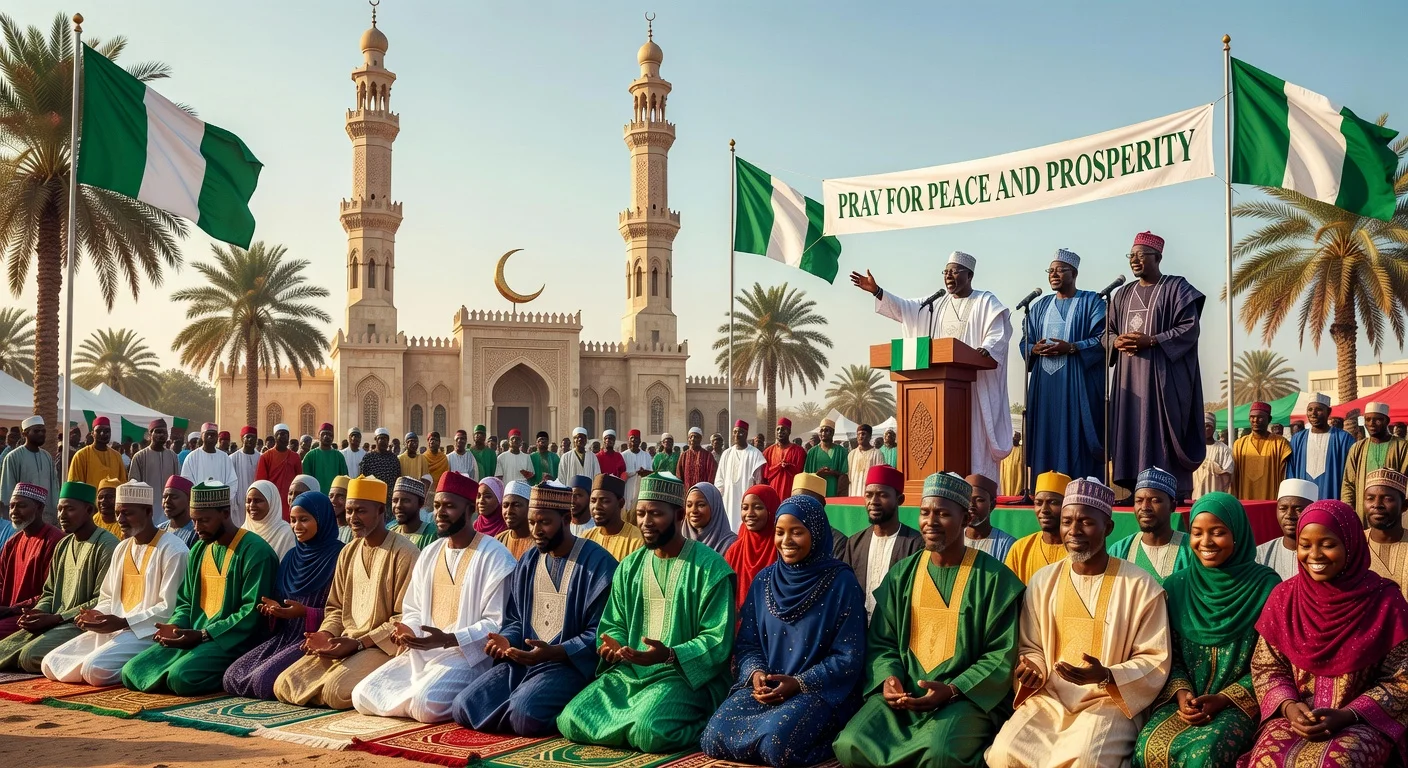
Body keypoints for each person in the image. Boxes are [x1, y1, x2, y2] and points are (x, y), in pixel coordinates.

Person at [834, 472, 1023, 768]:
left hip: (964, 698)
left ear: (965, 519)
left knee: (940, 755)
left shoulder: (994, 580)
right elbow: (883, 641)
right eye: (925, 512)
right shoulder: (902, 574)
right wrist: (889, 678)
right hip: (904, 693)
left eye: (943, 513)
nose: (930, 522)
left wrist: (953, 689)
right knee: (850, 744)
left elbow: (1001, 654)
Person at [985, 477, 1172, 768]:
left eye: (1086, 522)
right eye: (1067, 521)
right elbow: (1030, 645)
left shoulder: (1140, 586)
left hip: (1108, 702)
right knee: (1003, 754)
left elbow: (1155, 658)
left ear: (1107, 528)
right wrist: (1033, 666)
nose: (1073, 531)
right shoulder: (1043, 581)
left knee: (1086, 760)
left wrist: (1107, 675)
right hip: (1049, 697)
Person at [556, 472, 736, 752]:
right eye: (640, 513)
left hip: (682, 676)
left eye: (655, 514)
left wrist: (670, 654)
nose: (645, 522)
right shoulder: (630, 567)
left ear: (679, 515)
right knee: (571, 720)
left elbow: (716, 639)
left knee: (649, 732)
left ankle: (708, 724)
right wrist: (613, 646)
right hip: (631, 672)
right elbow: (614, 622)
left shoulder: (711, 569)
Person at [1240, 499, 1408, 766]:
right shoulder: (1284, 597)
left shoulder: (1384, 601)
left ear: (1351, 544)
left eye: (1328, 545)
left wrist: (1348, 715)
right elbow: (1267, 667)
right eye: (1305, 545)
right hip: (1294, 717)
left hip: (1361, 721)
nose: (1314, 555)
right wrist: (1289, 707)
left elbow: (1401, 680)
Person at [704, 496, 866, 768]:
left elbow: (848, 656)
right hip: (767, 689)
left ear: (815, 533)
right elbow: (748, 643)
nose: (786, 540)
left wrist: (799, 683)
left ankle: (830, 740)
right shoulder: (764, 580)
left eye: (797, 532)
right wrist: (756, 675)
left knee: (775, 746)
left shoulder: (841, 582)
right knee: (713, 736)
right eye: (780, 532)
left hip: (818, 691)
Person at [451, 483, 618, 736]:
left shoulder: (598, 564)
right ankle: (524, 698)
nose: (536, 530)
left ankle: (566, 706)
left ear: (565, 519)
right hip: (525, 660)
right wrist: (506, 640)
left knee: (525, 715)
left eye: (544, 523)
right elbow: (516, 618)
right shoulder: (529, 561)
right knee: (463, 706)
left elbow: (601, 631)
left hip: (570, 665)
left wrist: (557, 651)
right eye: (532, 522)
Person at [350, 471, 515, 723]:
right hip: (421, 655)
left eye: (449, 506)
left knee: (424, 704)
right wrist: (409, 630)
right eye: (436, 505)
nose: (439, 513)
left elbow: (496, 624)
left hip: (466, 659)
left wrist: (449, 639)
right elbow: (413, 608)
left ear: (471, 509)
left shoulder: (495, 556)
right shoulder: (429, 552)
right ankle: (411, 697)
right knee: (362, 694)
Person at [1131, 492, 1281, 768]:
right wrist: (1182, 693)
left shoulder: (1266, 587)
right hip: (1184, 700)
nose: (1206, 542)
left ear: (1237, 534)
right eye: (1197, 533)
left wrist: (1223, 699)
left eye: (1218, 532)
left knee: (1204, 755)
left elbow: (1270, 662)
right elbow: (1168, 653)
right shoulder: (1176, 586)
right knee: (1146, 746)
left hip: (1240, 703)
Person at [853, 251, 1014, 481]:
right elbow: (905, 308)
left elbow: (998, 332)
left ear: (969, 275)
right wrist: (877, 291)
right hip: (942, 393)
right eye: (946, 272)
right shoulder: (936, 303)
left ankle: (977, 493)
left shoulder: (985, 301)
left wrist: (986, 349)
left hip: (973, 389)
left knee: (973, 441)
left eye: (954, 271)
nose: (948, 276)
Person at [272, 476, 419, 710]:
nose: (352, 518)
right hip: (343, 640)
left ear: (381, 510)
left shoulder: (405, 553)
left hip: (380, 645)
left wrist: (359, 643)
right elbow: (335, 608)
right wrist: (325, 633)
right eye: (349, 511)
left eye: (360, 511)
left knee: (335, 692)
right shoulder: (348, 552)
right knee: (284, 684)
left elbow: (404, 618)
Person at [121, 481, 279, 695]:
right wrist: (175, 626)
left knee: (181, 678)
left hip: (232, 641)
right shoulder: (198, 549)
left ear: (225, 513)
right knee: (132, 671)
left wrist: (204, 634)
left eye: (204, 521)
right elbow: (185, 601)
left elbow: (250, 612)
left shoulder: (255, 551)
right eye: (194, 520)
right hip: (193, 636)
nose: (197, 528)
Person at [41, 480, 189, 686]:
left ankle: (147, 667)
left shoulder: (174, 550)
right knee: (50, 663)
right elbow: (108, 596)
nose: (120, 519)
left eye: (127, 513)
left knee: (94, 670)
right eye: (118, 512)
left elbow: (169, 608)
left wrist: (124, 622)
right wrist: (98, 616)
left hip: (147, 633)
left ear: (147, 512)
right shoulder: (122, 548)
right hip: (114, 629)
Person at [1108, 231, 1206, 500]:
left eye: (1142, 255)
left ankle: (1165, 491)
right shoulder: (1122, 294)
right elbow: (1107, 332)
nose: (1135, 260)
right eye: (1132, 256)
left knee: (1160, 429)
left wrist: (1152, 341)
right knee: (1131, 428)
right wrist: (1115, 342)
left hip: (1163, 378)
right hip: (1129, 379)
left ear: (1158, 257)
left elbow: (1189, 327)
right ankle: (1135, 490)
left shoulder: (1176, 287)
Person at [223, 491, 343, 699]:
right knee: (232, 677)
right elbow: (281, 600)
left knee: (263, 682)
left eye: (304, 520)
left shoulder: (340, 556)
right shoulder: (291, 557)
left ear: (322, 519)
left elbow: (343, 611)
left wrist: (305, 613)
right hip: (284, 636)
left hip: (312, 639)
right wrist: (274, 610)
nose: (297, 527)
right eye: (293, 520)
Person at [0, 481, 117, 671]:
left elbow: (102, 600)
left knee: (29, 656)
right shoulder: (64, 545)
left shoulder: (107, 546)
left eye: (69, 509)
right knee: (3, 650)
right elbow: (49, 592)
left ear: (89, 510)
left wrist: (57, 618)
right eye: (60, 509)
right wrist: (37, 613)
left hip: (81, 624)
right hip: (54, 621)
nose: (62, 516)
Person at [1022, 248, 1107, 482]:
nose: (1054, 274)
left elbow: (1103, 339)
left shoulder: (1092, 302)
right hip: (1044, 386)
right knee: (1044, 436)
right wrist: (1033, 349)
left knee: (1076, 435)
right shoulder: (1038, 306)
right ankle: (1043, 490)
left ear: (1075, 273)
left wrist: (1071, 347)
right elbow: (1025, 340)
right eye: (1051, 270)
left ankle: (1080, 490)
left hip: (1077, 385)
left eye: (1061, 270)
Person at [837, 465, 923, 619]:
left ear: (900, 500)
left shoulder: (916, 544)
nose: (873, 501)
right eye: (869, 495)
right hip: (859, 631)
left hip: (895, 635)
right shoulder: (854, 543)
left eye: (882, 495)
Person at [1108, 467, 1194, 584]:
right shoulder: (1120, 550)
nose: (1144, 507)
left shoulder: (1191, 549)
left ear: (1172, 506)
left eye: (1155, 500)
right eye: (1139, 500)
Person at [0, 483, 63, 638]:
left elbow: (52, 593)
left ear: (39, 508)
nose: (14, 511)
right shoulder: (12, 543)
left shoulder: (55, 541)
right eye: (12, 506)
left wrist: (11, 609)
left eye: (21, 506)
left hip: (33, 616)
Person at [1343, 402, 1408, 520]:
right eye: (1368, 419)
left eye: (1377, 419)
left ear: (1387, 421)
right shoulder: (1357, 448)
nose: (1371, 423)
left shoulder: (1402, 446)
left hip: (1392, 511)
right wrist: (1349, 510)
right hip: (1363, 511)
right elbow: (1348, 483)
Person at [1004, 471, 1071, 583]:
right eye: (1039, 503)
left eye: (1053, 502)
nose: (1044, 510)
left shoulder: (1078, 550)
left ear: (1067, 506)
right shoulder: (1020, 549)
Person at [1287, 393, 1354, 504]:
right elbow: (1291, 473)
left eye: (1318, 409)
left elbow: (1351, 474)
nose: (1313, 413)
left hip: (1334, 499)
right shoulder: (1297, 439)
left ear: (1328, 412)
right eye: (1310, 409)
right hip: (1303, 500)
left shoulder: (1343, 439)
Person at [723, 485, 780, 609]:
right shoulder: (734, 551)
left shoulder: (782, 548)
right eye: (745, 508)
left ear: (772, 509)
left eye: (758, 507)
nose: (749, 514)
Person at [0, 417, 59, 524]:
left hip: (47, 518)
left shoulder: (47, 456)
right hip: (23, 518)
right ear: (24, 434)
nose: (41, 434)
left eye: (43, 431)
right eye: (36, 431)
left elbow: (54, 487)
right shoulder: (13, 457)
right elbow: (7, 491)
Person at [1255, 478, 1315, 581]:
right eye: (1283, 508)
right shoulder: (1261, 553)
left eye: (1298, 509)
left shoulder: (1319, 555)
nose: (1289, 515)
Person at [1232, 401, 1292, 501]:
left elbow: (1288, 473)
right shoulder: (1239, 444)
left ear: (1269, 419)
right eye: (1252, 417)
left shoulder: (1280, 443)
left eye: (1260, 417)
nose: (1255, 420)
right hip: (1245, 499)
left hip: (1271, 499)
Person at [1363, 468, 1408, 595]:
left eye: (1387, 498)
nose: (1376, 505)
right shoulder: (1354, 546)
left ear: (1404, 506)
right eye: (1370, 498)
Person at [716, 420, 767, 532]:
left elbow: (759, 482)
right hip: (728, 500)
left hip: (747, 500)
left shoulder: (755, 454)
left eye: (740, 432)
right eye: (734, 432)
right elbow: (719, 479)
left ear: (746, 434)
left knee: (744, 529)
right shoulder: (726, 454)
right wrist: (720, 499)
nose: (736, 435)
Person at [128, 419, 180, 525]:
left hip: (169, 510)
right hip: (147, 510)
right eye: (158, 432)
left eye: (164, 432)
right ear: (150, 434)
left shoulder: (172, 456)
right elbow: (134, 485)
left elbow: (177, 483)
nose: (161, 435)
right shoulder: (140, 456)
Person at [583, 474, 643, 561]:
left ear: (621, 503)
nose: (597, 506)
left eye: (605, 501)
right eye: (593, 501)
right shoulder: (586, 537)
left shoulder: (637, 541)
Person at [182, 423, 238, 509]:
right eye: (208, 434)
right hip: (199, 506)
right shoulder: (192, 457)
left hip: (220, 506)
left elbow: (232, 481)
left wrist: (223, 499)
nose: (210, 437)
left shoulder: (224, 457)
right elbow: (187, 481)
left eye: (213, 435)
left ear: (217, 437)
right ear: (202, 436)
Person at [961, 473, 1014, 563]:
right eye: (967, 499)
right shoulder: (953, 540)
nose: (971, 505)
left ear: (992, 505)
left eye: (979, 500)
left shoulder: (1007, 545)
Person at [255, 424, 305, 514]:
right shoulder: (266, 457)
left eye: (287, 435)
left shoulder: (295, 457)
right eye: (282, 434)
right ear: (275, 437)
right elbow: (261, 481)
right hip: (272, 498)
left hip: (290, 499)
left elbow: (299, 480)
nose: (285, 437)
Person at [68, 416, 128, 487]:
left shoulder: (117, 456)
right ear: (92, 433)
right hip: (89, 498)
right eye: (99, 431)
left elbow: (123, 484)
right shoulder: (81, 455)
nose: (103, 434)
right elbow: (74, 485)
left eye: (107, 431)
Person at [682, 480, 737, 555]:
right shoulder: (680, 541)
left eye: (701, 505)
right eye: (689, 505)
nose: (693, 510)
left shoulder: (731, 544)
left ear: (715, 507)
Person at [1191, 413, 1234, 500]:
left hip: (1216, 495)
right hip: (1196, 495)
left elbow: (1228, 472)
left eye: (1208, 426)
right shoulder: (1193, 449)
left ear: (1214, 428)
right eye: (1202, 425)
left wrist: (1212, 467)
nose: (1205, 429)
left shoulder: (1223, 449)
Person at [804, 419, 849, 498]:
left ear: (832, 433)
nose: (823, 433)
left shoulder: (841, 451)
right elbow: (806, 475)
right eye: (821, 431)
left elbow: (845, 474)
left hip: (835, 491)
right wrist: (817, 473)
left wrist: (834, 472)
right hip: (817, 491)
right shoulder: (812, 452)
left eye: (827, 430)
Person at [763, 419, 807, 500]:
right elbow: (765, 475)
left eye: (783, 429)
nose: (780, 431)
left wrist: (789, 466)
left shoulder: (799, 451)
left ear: (789, 432)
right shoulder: (768, 452)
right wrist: (778, 466)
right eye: (778, 429)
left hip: (792, 492)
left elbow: (801, 474)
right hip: (773, 492)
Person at [388, 476, 436, 549]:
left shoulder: (433, 535)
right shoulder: (390, 531)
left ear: (420, 503)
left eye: (406, 501)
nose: (398, 505)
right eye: (395, 501)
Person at [358, 428, 401, 506]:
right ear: (376, 440)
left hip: (389, 500)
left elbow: (398, 479)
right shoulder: (368, 457)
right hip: (372, 498)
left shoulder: (394, 459)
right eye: (380, 438)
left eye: (385, 439)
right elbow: (362, 478)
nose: (383, 441)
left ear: (388, 441)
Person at [302, 423, 349, 494]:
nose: (326, 437)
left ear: (333, 437)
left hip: (334, 499)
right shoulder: (310, 456)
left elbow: (344, 478)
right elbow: (306, 480)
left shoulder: (339, 456)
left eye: (330, 435)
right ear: (318, 435)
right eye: (324, 434)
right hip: (315, 497)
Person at [494, 479, 535, 560]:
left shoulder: (539, 542)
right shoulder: (498, 540)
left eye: (516, 505)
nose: (509, 511)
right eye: (505, 505)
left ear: (530, 507)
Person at [226, 427, 259, 527]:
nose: (250, 440)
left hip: (256, 501)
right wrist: (233, 501)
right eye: (247, 437)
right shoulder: (233, 458)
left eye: (253, 437)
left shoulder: (261, 457)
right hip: (238, 502)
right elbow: (230, 482)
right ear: (242, 439)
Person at [847, 423, 884, 495]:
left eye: (863, 434)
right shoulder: (851, 454)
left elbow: (879, 475)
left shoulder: (877, 454)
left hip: (870, 493)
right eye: (858, 434)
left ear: (869, 437)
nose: (860, 437)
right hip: (854, 491)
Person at [677, 427, 717, 491]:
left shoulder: (708, 456)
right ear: (688, 439)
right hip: (687, 492)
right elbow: (679, 475)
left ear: (700, 439)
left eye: (695, 437)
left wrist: (708, 490)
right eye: (691, 437)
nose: (693, 439)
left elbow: (711, 475)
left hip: (703, 492)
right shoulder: (684, 455)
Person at [621, 429, 652, 511]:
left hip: (642, 486)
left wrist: (644, 472)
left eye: (637, 438)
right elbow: (622, 473)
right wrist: (634, 472)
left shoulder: (646, 455)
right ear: (629, 440)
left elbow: (650, 472)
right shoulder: (623, 455)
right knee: (627, 508)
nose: (634, 440)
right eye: (632, 438)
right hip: (628, 486)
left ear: (640, 441)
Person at [328, 475, 353, 544]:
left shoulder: (355, 531)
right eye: (331, 496)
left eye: (341, 497)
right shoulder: (325, 528)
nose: (333, 501)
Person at [1000, 431, 1026, 497]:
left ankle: (1015, 495)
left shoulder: (1021, 449)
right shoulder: (1007, 448)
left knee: (1017, 483)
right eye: (1014, 438)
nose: (1015, 440)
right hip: (1007, 471)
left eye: (1017, 438)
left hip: (1017, 471)